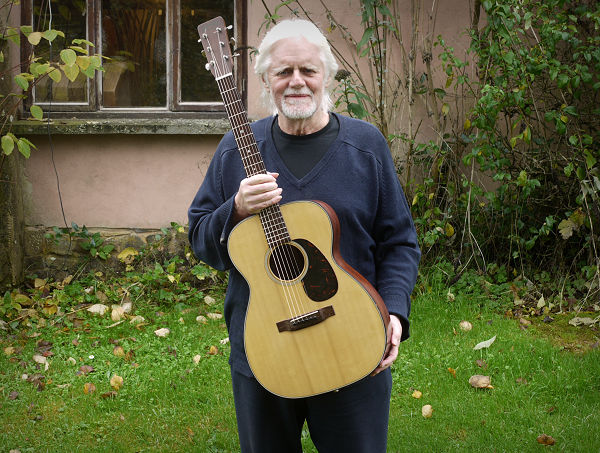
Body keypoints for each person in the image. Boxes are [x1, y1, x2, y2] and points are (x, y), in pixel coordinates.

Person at [188, 18, 420, 453]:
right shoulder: (236, 149)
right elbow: (200, 238)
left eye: (308, 70)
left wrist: (393, 310)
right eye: (283, 72)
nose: (296, 82)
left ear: (327, 76)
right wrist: (235, 208)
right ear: (265, 81)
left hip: (352, 339)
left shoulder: (366, 146)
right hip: (264, 349)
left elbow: (399, 242)